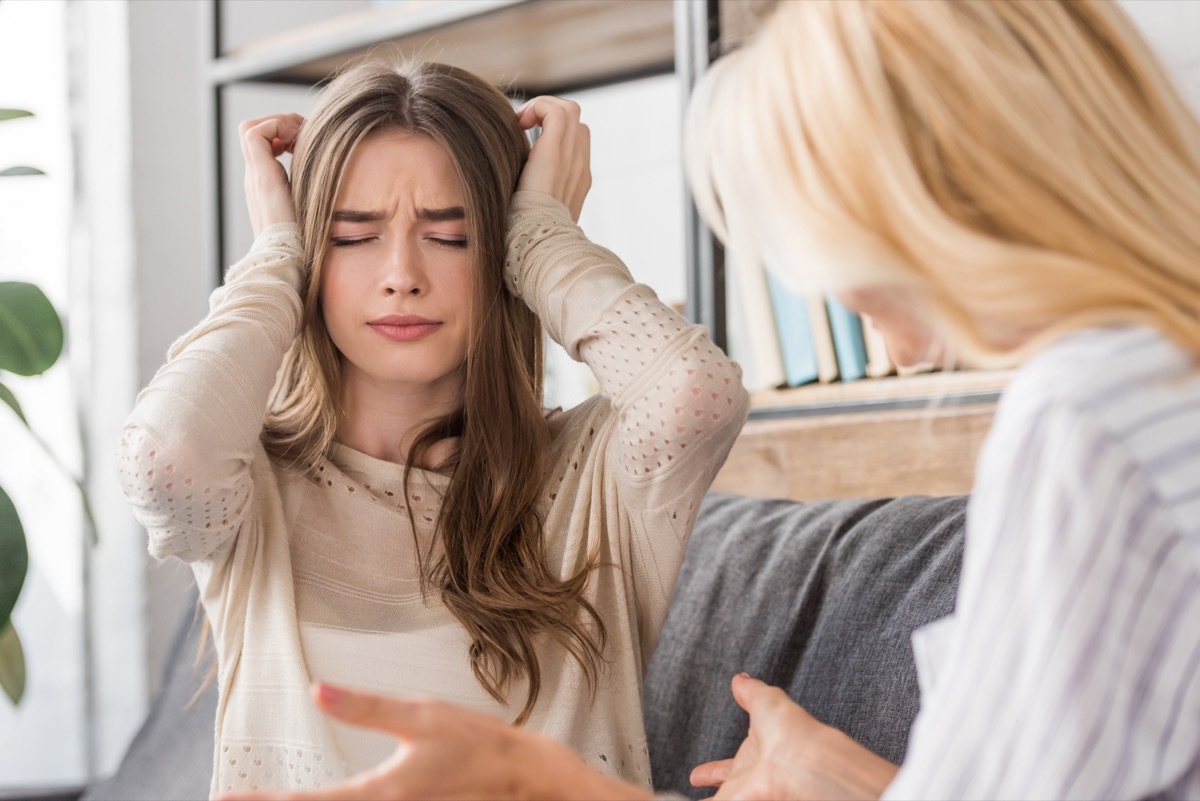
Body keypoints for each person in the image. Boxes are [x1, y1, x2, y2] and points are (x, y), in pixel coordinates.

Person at [217, 1, 1200, 799]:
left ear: (948, 210)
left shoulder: (1088, 424)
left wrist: (542, 786)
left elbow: (692, 395)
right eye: (347, 235)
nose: (897, 353)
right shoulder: (1153, 399)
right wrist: (852, 784)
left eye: (869, 282)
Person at [116, 56, 748, 798]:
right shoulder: (251, 487)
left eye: (452, 235)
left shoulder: (593, 481)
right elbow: (162, 458)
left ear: (503, 256)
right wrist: (274, 261)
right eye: (353, 236)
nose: (401, 274)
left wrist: (545, 237)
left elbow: (697, 397)